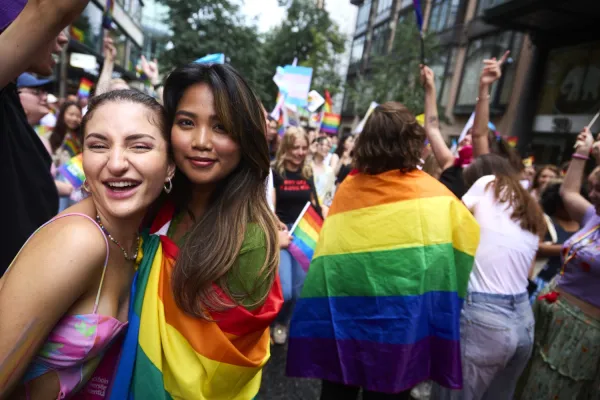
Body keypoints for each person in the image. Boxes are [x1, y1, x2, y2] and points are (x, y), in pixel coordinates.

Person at [108, 63, 282, 399]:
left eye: (221, 127)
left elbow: (222, 370)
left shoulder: (251, 241)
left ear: (244, 137)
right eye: (187, 123)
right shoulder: (151, 205)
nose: (201, 142)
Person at [287, 102, 480, 399]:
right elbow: (459, 240)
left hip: (346, 315)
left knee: (339, 386)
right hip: (397, 320)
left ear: (367, 142)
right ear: (411, 142)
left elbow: (331, 258)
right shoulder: (432, 195)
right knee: (389, 387)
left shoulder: (349, 188)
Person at [0, 89, 174, 398]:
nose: (116, 163)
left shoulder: (138, 237)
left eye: (139, 146)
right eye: (98, 145)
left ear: (171, 166)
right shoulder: (78, 240)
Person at [433, 153, 546, 400]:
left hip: (485, 320)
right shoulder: (528, 203)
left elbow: (447, 225)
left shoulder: (487, 183)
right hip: (522, 320)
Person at [517, 127, 600, 399]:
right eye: (593, 188)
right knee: (524, 385)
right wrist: (582, 152)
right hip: (550, 315)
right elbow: (568, 191)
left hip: (581, 332)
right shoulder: (592, 217)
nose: (594, 194)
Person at [420, 52, 521, 198]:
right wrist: (430, 88)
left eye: (471, 136)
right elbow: (432, 129)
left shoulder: (483, 172)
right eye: (466, 134)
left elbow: (479, 134)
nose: (467, 138)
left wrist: (484, 86)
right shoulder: (450, 164)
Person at [271, 126, 322, 345]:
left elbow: (314, 203)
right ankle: (271, 322)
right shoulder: (275, 172)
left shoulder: (307, 172)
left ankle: (282, 323)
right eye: (296, 148)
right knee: (286, 290)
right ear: (286, 148)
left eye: (304, 147)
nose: (300, 152)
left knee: (300, 291)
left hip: (304, 233)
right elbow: (268, 206)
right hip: (282, 234)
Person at [528, 180, 580, 301]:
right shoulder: (543, 219)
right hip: (541, 283)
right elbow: (534, 246)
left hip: (568, 290)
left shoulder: (584, 224)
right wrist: (570, 249)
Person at [311, 136, 336, 214]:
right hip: (307, 208)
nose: (325, 147)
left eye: (327, 145)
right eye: (321, 144)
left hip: (322, 210)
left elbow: (330, 195)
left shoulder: (329, 171)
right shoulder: (307, 167)